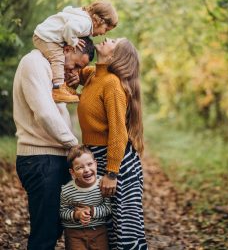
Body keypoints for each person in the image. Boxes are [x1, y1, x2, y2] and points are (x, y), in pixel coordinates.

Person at [13, 36, 95, 250]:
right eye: (76, 64)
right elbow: (45, 114)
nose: (74, 70)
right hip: (40, 159)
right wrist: (74, 145)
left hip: (53, 158)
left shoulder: (53, 72)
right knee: (45, 234)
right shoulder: (34, 63)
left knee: (55, 228)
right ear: (67, 48)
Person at [77, 38, 148, 249]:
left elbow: (119, 132)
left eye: (114, 41)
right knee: (104, 229)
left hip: (117, 165)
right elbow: (76, 72)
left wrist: (111, 173)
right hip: (97, 159)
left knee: (124, 231)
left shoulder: (112, 85)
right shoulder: (94, 76)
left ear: (117, 56)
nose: (108, 38)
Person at [32, 0, 118, 103]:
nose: (104, 34)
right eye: (106, 29)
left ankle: (61, 87)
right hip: (45, 36)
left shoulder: (81, 17)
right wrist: (74, 41)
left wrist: (75, 84)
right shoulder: (86, 23)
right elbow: (69, 27)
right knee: (58, 59)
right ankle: (58, 89)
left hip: (45, 35)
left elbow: (85, 93)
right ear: (98, 21)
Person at [60, 145, 111, 250]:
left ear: (96, 164)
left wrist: (92, 211)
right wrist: (76, 214)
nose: (86, 170)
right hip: (74, 234)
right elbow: (62, 211)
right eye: (80, 168)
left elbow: (108, 207)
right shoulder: (67, 190)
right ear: (72, 172)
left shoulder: (102, 185)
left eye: (89, 164)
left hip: (99, 232)